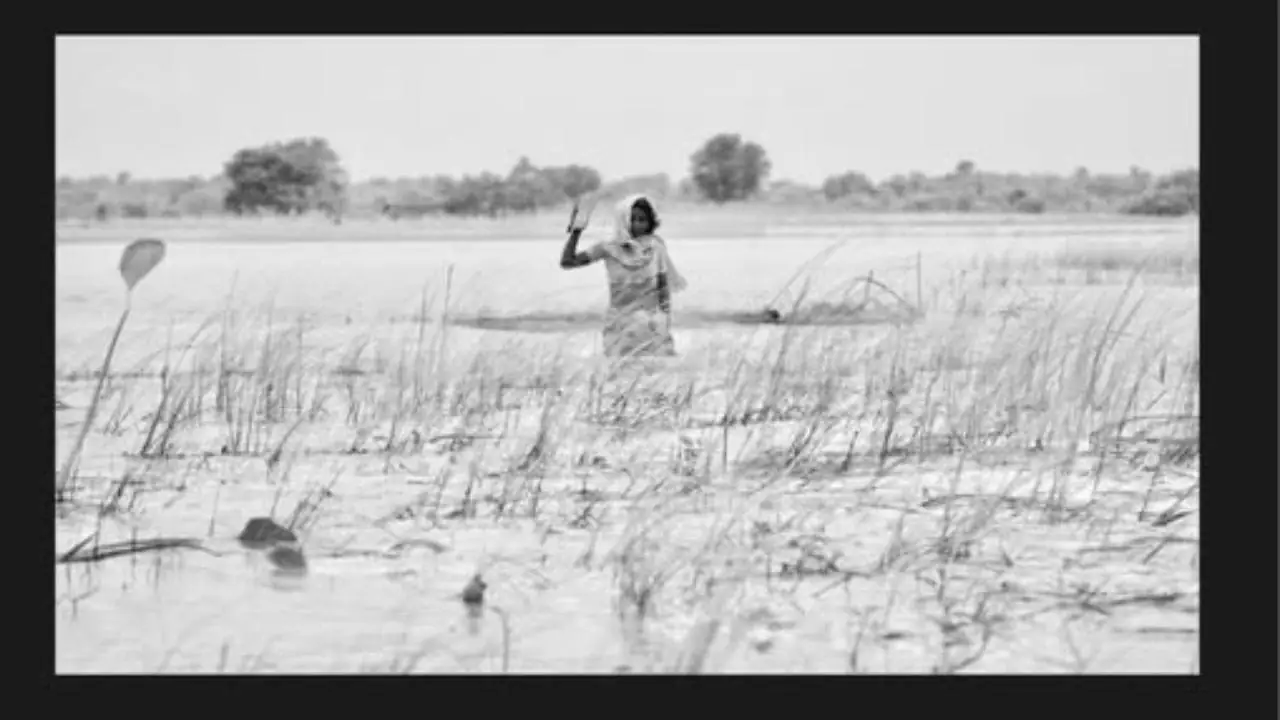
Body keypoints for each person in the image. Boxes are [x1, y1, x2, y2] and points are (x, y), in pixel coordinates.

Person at [560, 194, 688, 358]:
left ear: (650, 222)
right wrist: (576, 231)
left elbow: (663, 288)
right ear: (623, 220)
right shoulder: (608, 248)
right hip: (619, 326)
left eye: (642, 220)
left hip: (651, 326)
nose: (637, 225)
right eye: (632, 219)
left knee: (656, 366)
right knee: (619, 364)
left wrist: (665, 321)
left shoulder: (655, 247)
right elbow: (568, 262)